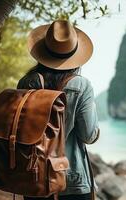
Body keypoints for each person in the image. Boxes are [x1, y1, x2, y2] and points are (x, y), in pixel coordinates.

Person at [16, 19, 100, 200]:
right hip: (71, 178)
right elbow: (89, 135)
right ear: (74, 55)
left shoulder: (26, 83)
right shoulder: (82, 85)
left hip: (33, 174)